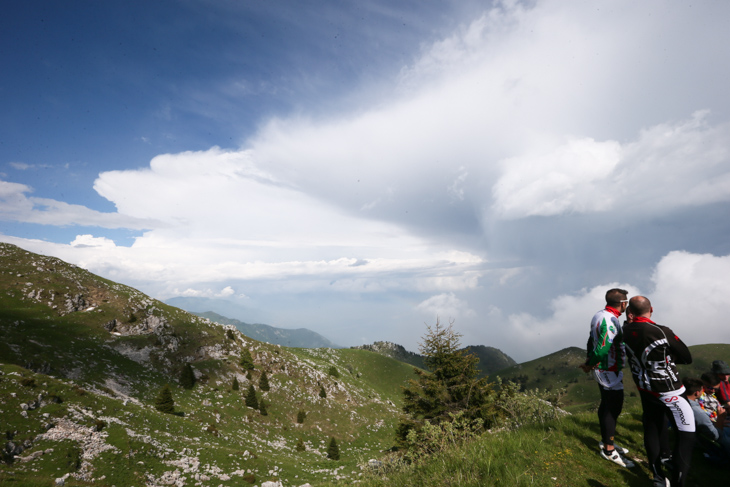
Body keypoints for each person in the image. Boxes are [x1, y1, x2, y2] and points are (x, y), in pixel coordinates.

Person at [623, 295, 694, 487]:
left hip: (645, 389)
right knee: (686, 434)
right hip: (671, 391)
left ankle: (658, 477)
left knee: (652, 428)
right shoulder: (661, 331)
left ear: (630, 312)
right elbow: (687, 357)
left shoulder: (624, 330)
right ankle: (679, 482)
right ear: (651, 309)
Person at [579, 288, 633, 467]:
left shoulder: (599, 314)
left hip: (604, 369)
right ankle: (609, 449)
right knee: (613, 407)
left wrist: (589, 359)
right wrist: (590, 363)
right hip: (608, 371)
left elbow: (590, 340)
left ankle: (606, 439)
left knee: (607, 405)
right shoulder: (610, 320)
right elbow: (603, 347)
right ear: (623, 304)